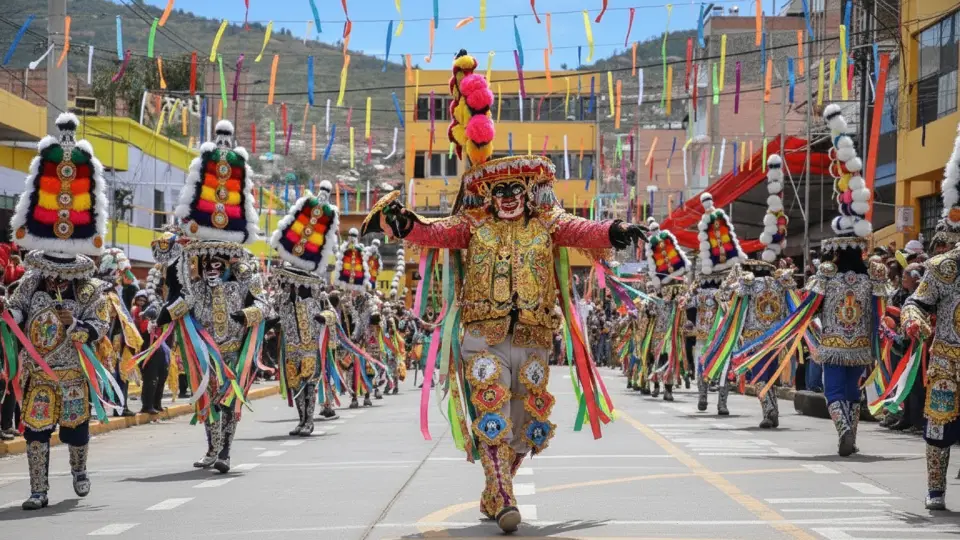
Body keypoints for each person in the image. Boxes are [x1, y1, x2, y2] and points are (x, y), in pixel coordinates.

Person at [361, 50, 648, 533]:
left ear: (529, 191)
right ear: (488, 195)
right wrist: (403, 222)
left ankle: (495, 489)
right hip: (483, 336)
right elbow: (435, 231)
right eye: (500, 189)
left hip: (535, 335)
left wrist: (613, 230)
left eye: (517, 187)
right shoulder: (472, 225)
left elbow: (580, 229)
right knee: (491, 409)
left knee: (526, 425)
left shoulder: (547, 223)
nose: (509, 195)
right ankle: (503, 494)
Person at [745, 105, 890, 455]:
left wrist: (800, 325)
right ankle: (849, 431)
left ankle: (843, 429)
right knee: (853, 389)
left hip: (832, 344)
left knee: (835, 390)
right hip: (861, 346)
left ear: (834, 252)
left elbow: (807, 308)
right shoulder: (874, 274)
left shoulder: (825, 275)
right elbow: (882, 305)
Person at [5, 112, 118, 509]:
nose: (55, 279)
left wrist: (80, 327)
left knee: (75, 430)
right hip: (38, 374)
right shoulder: (30, 283)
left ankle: (79, 470)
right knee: (35, 432)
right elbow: (16, 312)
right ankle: (38, 490)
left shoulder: (87, 287)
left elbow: (101, 322)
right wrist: (10, 315)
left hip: (72, 375)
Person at [153, 120, 271, 474]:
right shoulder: (195, 285)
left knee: (229, 400)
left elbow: (264, 305)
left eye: (221, 262)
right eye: (209, 262)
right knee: (207, 397)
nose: (214, 267)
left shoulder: (242, 280)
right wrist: (164, 315)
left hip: (235, 350)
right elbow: (180, 296)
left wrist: (245, 316)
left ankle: (225, 452)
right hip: (204, 349)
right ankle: (213, 448)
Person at [901, 120, 960, 510]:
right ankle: (936, 489)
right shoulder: (943, 268)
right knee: (938, 426)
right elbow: (916, 302)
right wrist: (914, 319)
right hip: (947, 361)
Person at [266, 181, 340, 436]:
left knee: (310, 381)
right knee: (294, 380)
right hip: (291, 344)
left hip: (310, 344)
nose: (290, 286)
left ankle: (309, 420)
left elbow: (332, 313)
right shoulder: (283, 296)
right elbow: (271, 310)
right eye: (288, 282)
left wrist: (323, 316)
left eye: (294, 284)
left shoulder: (316, 293)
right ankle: (301, 420)